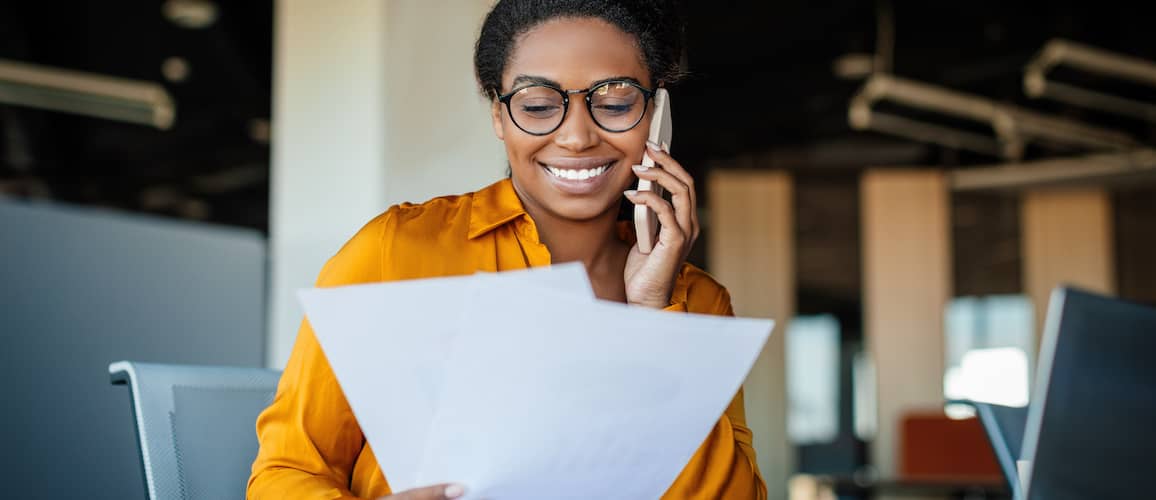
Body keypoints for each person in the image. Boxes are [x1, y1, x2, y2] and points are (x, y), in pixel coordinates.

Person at [247, 1, 765, 498]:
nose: (578, 136)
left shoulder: (697, 303)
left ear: (656, 116)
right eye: (538, 106)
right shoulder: (395, 254)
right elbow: (286, 471)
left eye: (614, 103)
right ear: (499, 116)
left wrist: (654, 322)